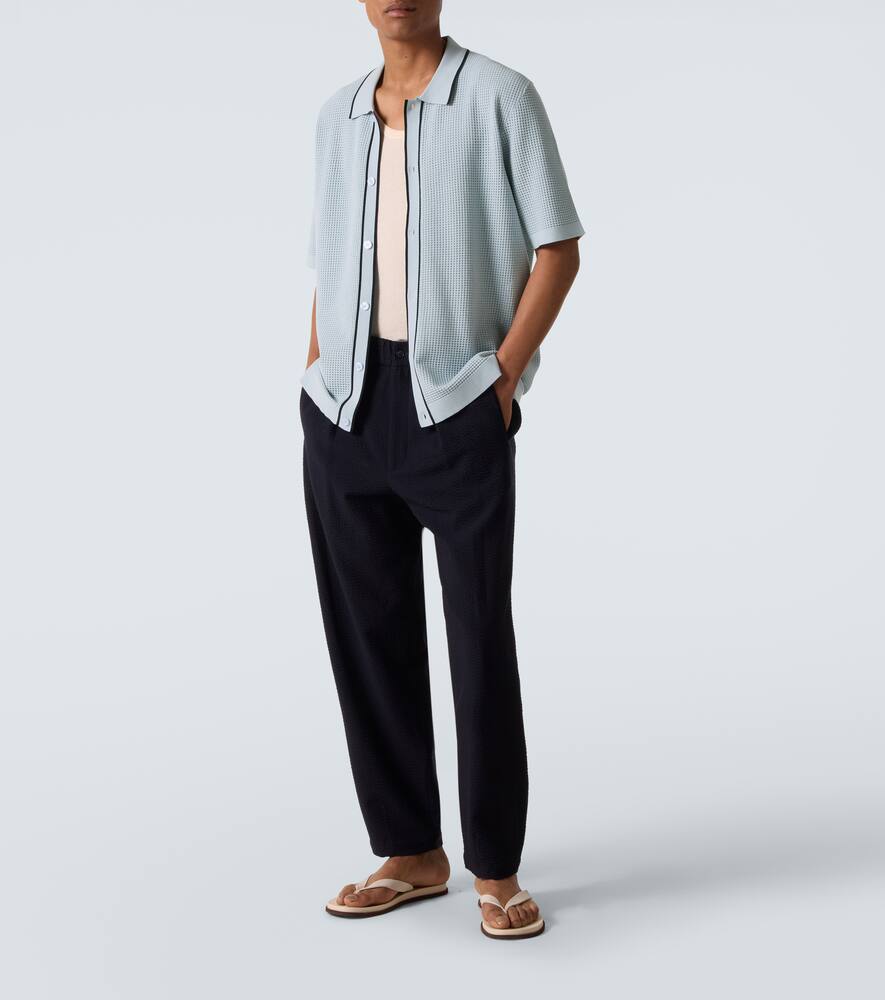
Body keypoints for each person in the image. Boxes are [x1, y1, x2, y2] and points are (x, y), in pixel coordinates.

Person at [300, 0, 583, 940]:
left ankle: (495, 867)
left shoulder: (500, 96)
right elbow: (327, 263)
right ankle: (411, 853)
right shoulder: (336, 116)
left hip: (456, 401)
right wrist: (314, 378)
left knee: (476, 637)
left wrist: (500, 381)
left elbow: (558, 247)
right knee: (368, 637)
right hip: (346, 407)